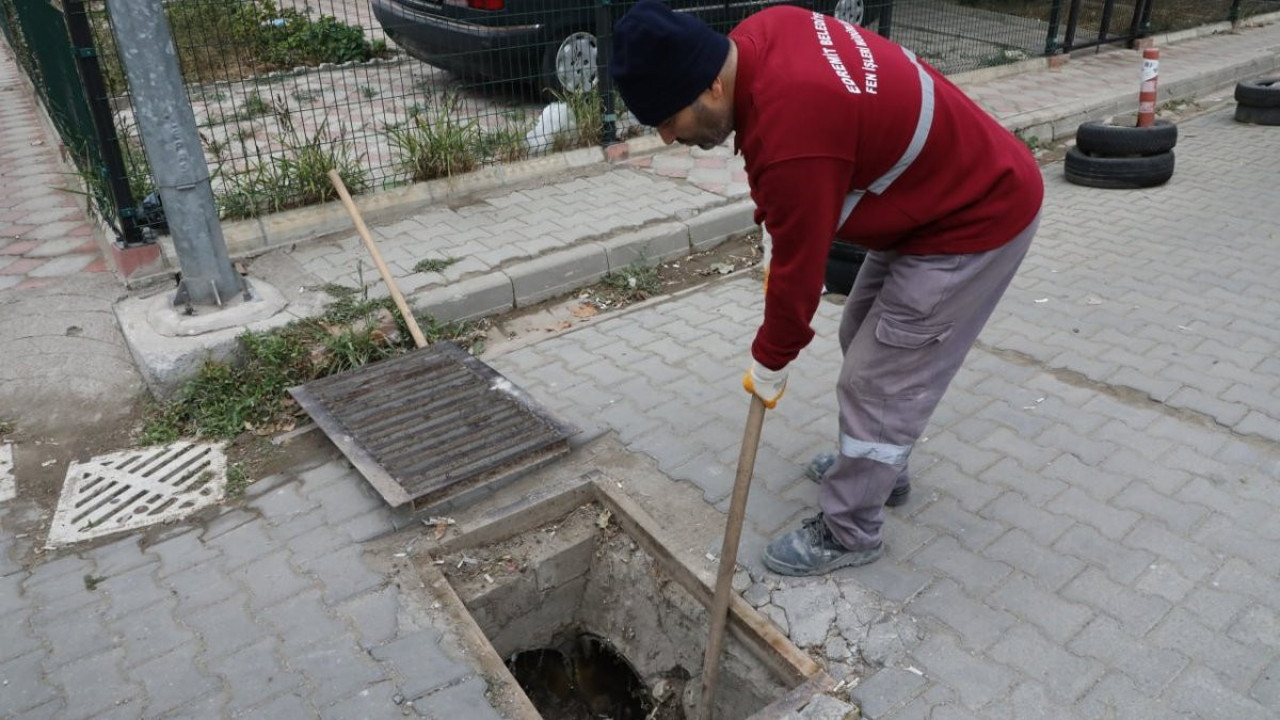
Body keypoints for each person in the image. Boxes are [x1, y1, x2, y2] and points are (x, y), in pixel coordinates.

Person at [610, 0, 1044, 576]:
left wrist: (770, 361)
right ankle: (878, 468)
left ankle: (851, 530)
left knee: (878, 378)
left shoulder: (795, 130)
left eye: (669, 119)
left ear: (712, 86)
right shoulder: (763, 32)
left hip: (975, 216)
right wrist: (777, 225)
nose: (667, 138)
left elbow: (801, 273)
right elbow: (793, 196)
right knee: (860, 331)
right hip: (929, 198)